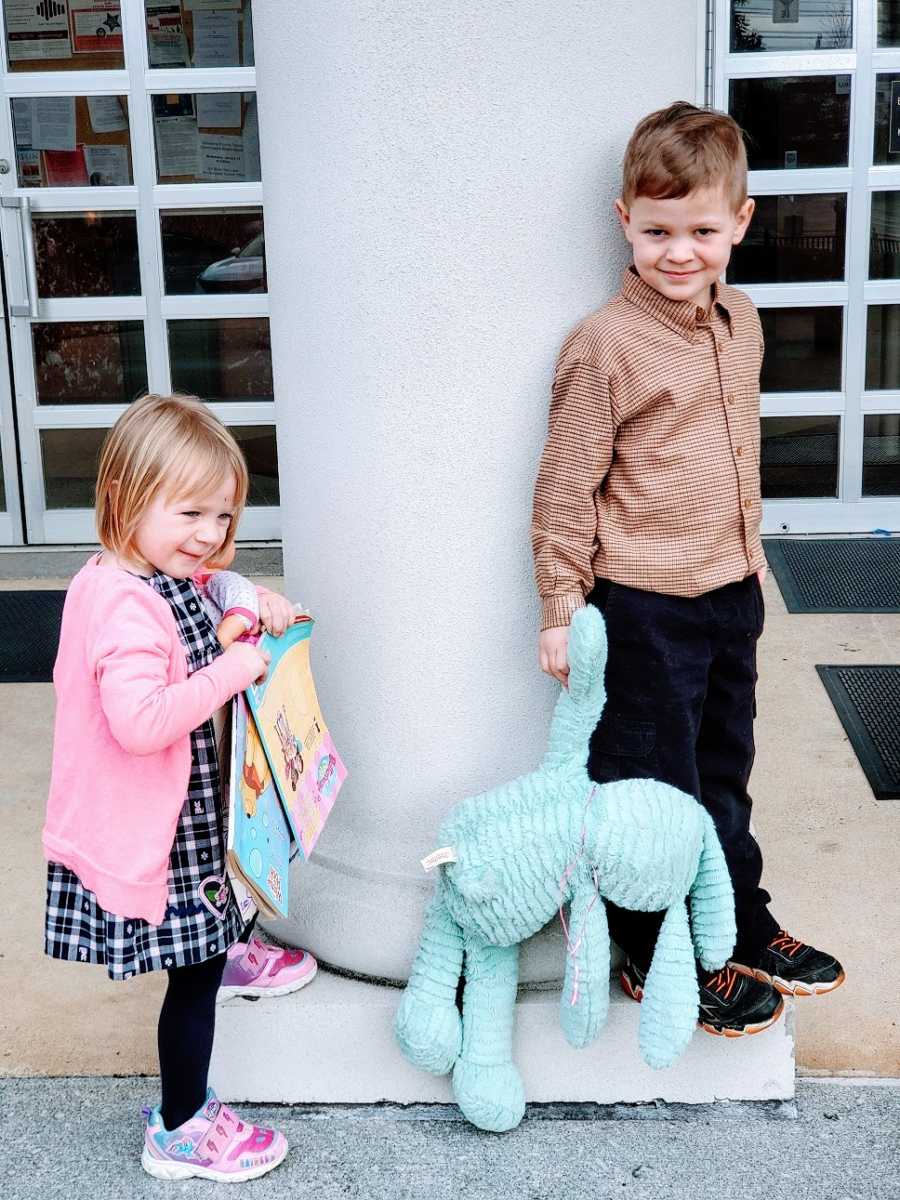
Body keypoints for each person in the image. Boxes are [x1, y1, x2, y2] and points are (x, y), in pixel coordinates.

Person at [531, 102, 845, 1039]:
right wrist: (560, 605)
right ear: (623, 217)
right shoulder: (604, 344)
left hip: (729, 593)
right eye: (658, 230)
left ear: (739, 225)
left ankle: (739, 917)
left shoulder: (741, 321)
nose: (680, 252)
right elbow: (564, 486)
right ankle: (654, 944)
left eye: (703, 231)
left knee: (723, 771)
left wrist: (748, 573)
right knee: (650, 788)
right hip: (644, 608)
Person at [42, 393, 306, 1182]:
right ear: (125, 500)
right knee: (189, 979)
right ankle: (182, 1126)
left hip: (178, 803)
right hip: (146, 816)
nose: (212, 537)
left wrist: (246, 599)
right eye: (191, 513)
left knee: (210, 890)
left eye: (224, 516)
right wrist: (235, 668)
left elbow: (207, 589)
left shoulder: (154, 570)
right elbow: (141, 722)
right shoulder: (124, 606)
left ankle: (224, 938)